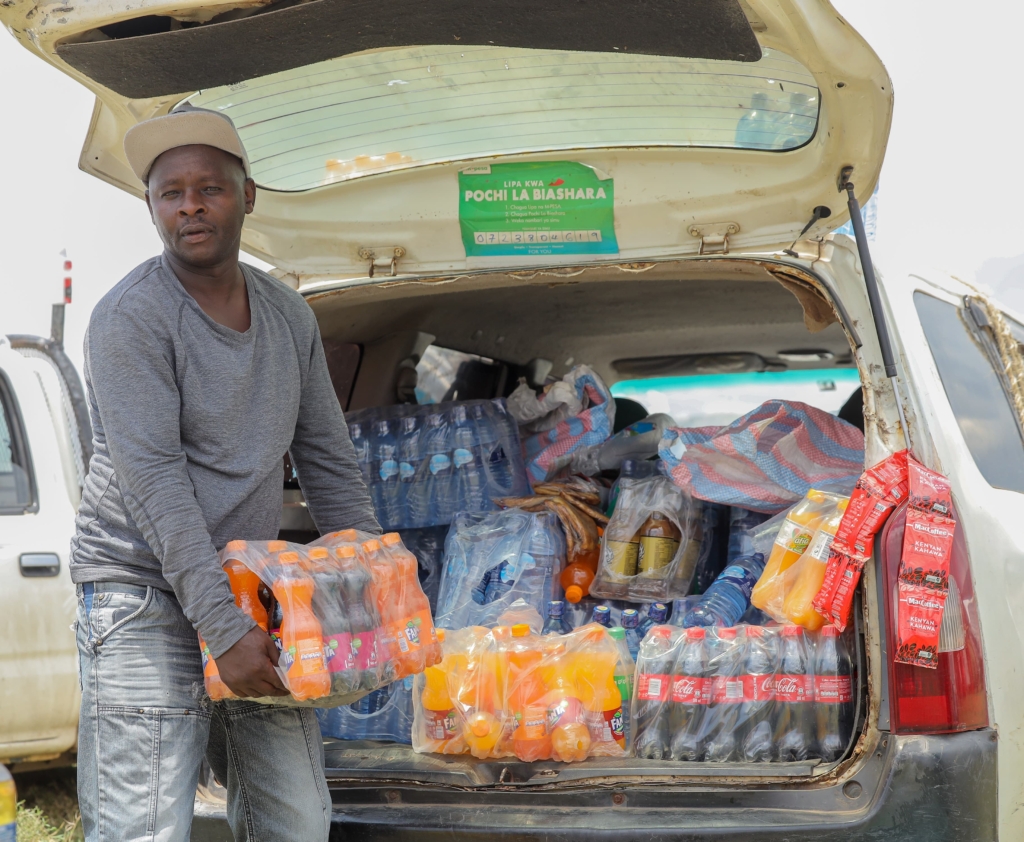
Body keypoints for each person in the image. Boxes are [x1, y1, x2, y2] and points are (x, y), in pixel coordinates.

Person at [71, 105, 380, 842]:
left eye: (207, 187)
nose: (189, 206)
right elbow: (154, 479)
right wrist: (222, 625)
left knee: (298, 819)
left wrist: (372, 587)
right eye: (169, 193)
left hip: (251, 594)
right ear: (152, 209)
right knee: (144, 829)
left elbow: (328, 461)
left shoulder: (288, 316)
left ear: (248, 196)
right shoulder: (133, 318)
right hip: (140, 592)